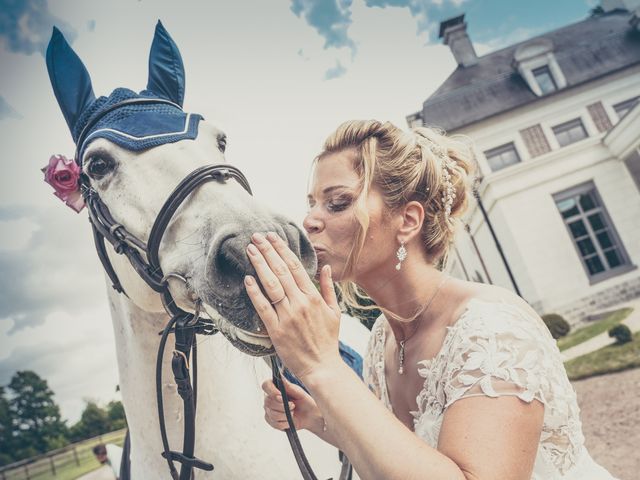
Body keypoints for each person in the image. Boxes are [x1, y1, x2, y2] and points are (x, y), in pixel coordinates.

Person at [242, 120, 618, 480]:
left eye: (337, 202)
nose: (309, 221)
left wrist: (321, 366)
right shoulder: (381, 339)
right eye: (312, 204)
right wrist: (318, 420)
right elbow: (408, 455)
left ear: (407, 220)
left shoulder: (491, 329)